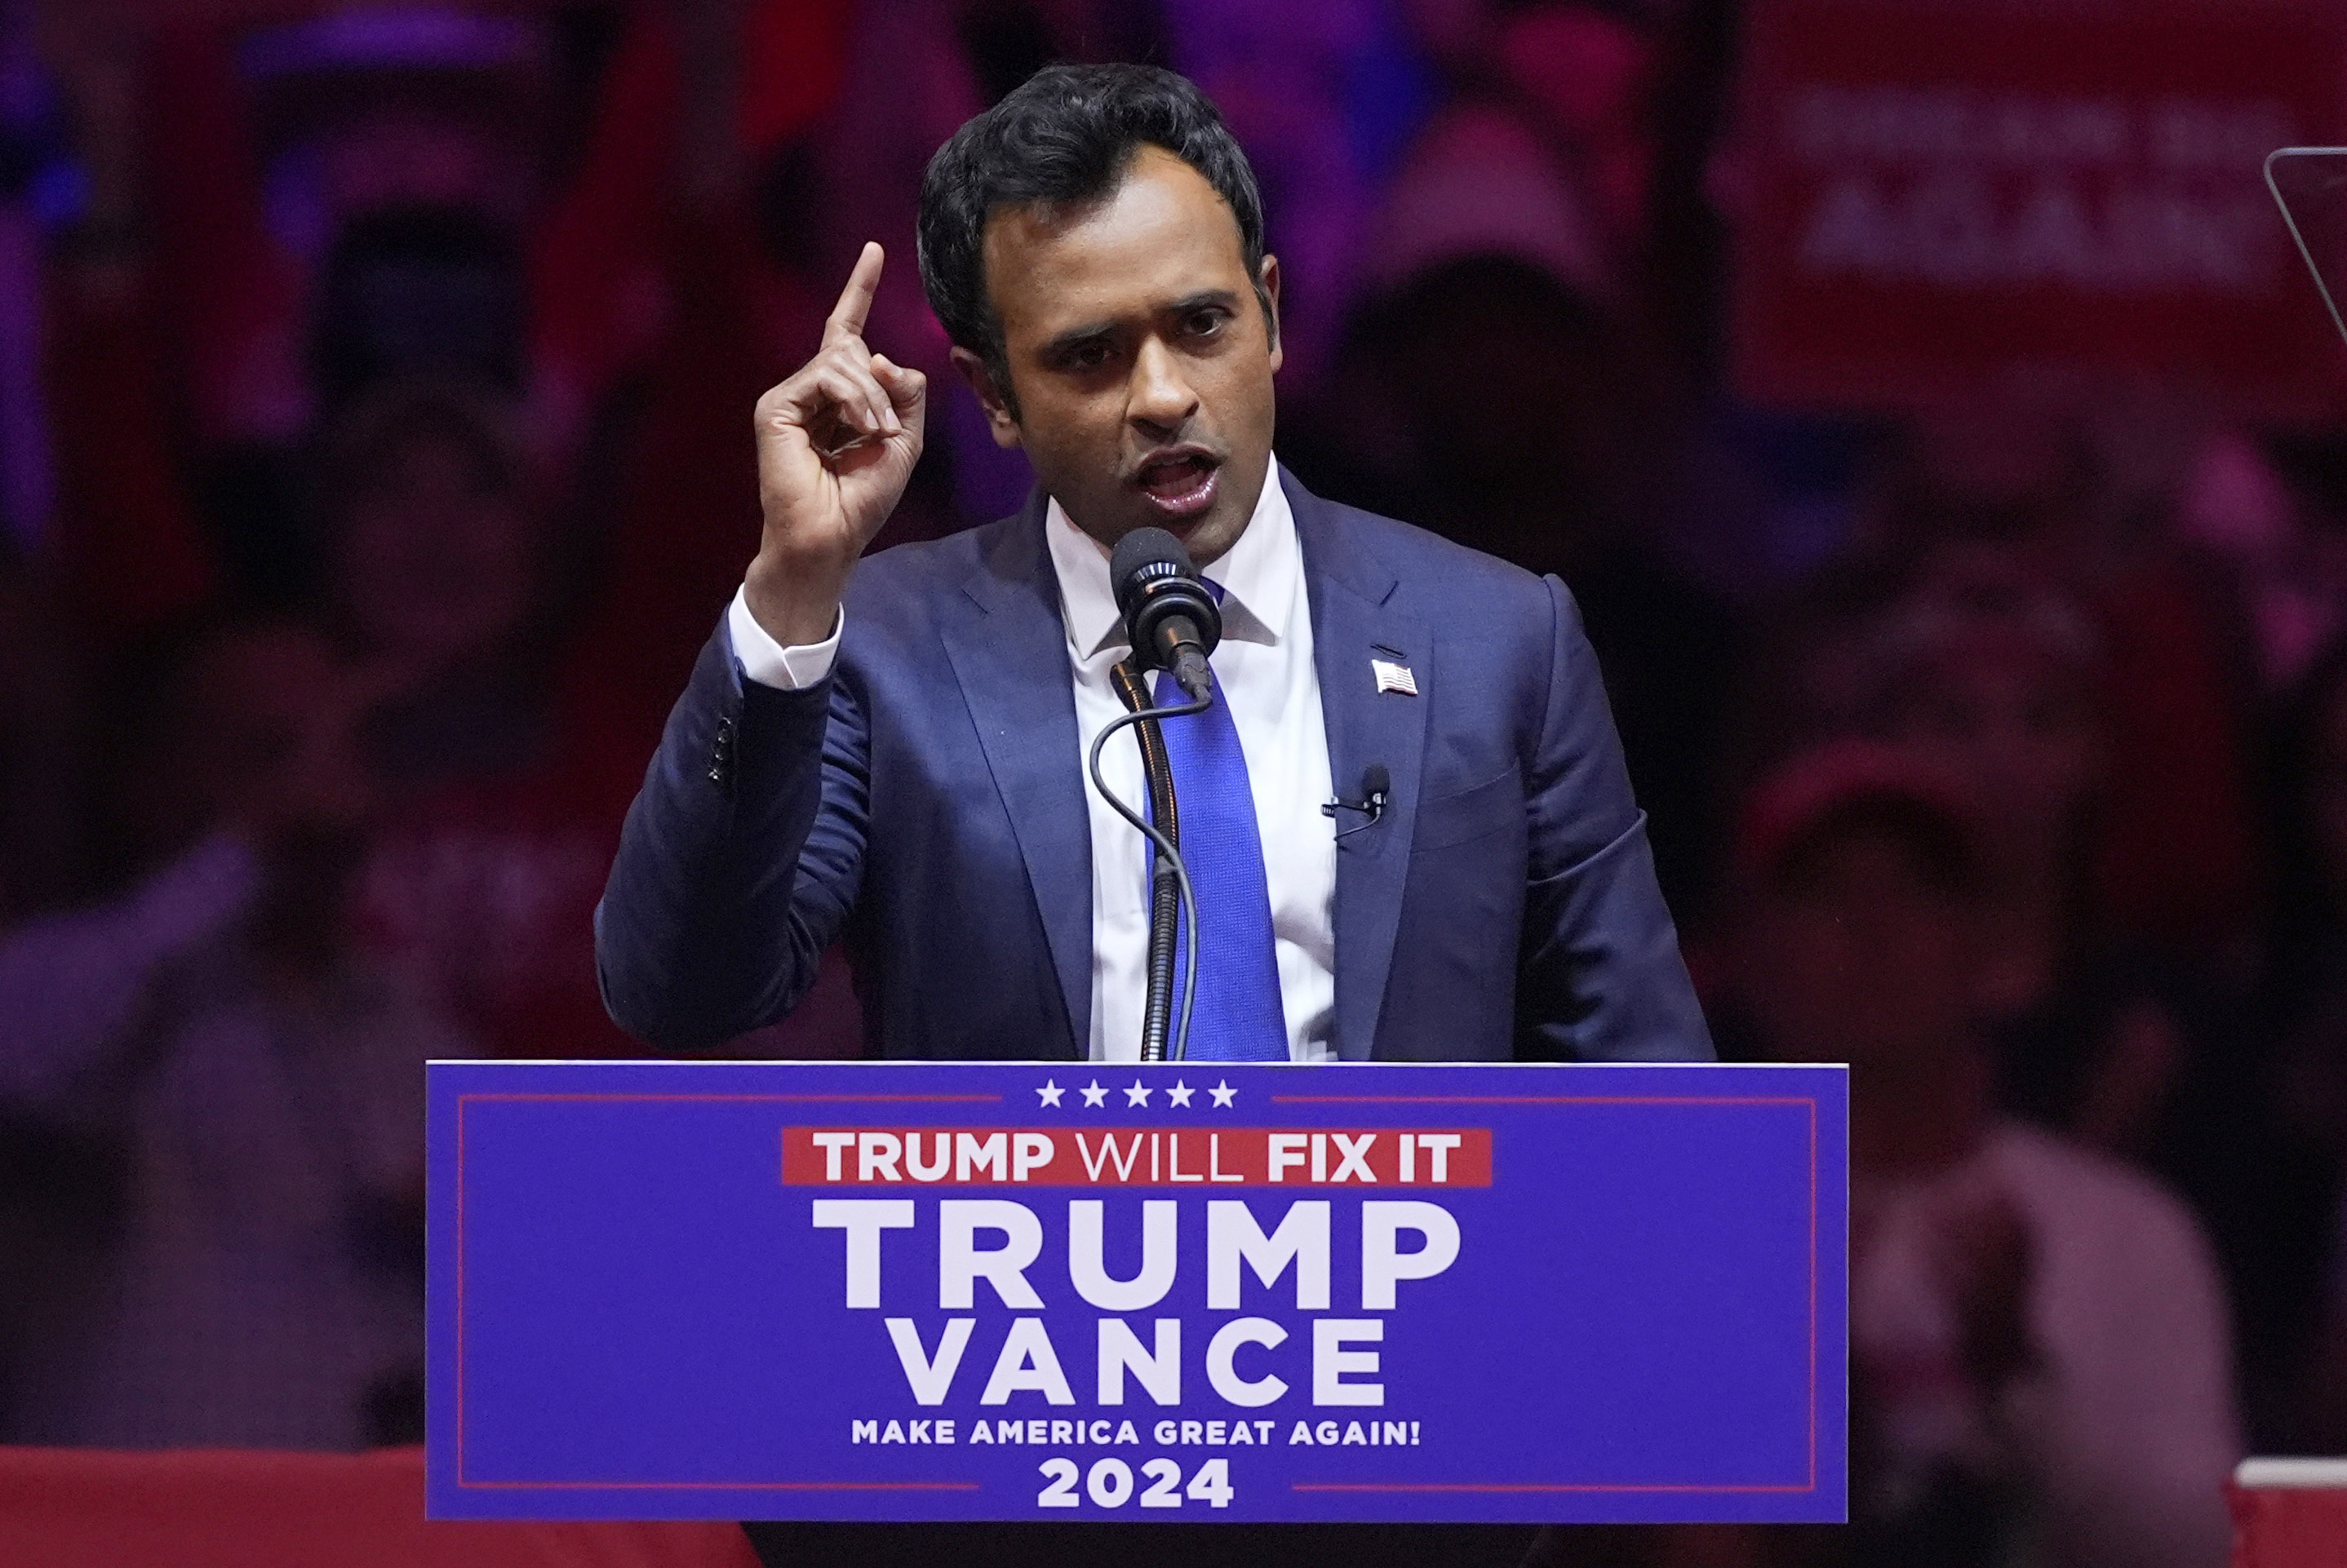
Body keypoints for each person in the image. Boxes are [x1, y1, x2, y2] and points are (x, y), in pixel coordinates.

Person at [595, 63, 1711, 1566]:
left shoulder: (1494, 640)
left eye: (1200, 324)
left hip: (1395, 1501)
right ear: (988, 392)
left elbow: (1648, 1103)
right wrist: (794, 593)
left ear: (1271, 307)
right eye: (1087, 354)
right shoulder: (890, 644)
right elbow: (684, 986)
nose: (1164, 395)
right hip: (990, 1501)